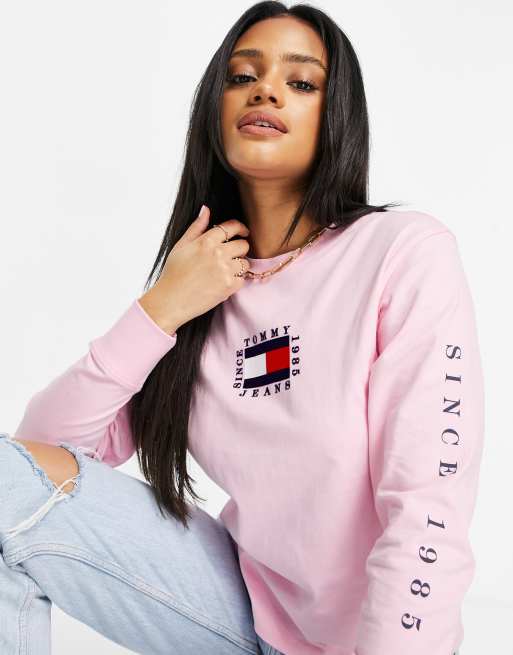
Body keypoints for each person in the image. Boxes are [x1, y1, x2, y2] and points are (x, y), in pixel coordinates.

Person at [0, 2, 482, 654]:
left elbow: (427, 513)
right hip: (241, 615)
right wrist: (160, 308)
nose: (265, 90)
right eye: (242, 76)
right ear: (214, 108)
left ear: (336, 116)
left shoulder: (401, 253)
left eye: (300, 81)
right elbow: (33, 462)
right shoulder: (201, 287)